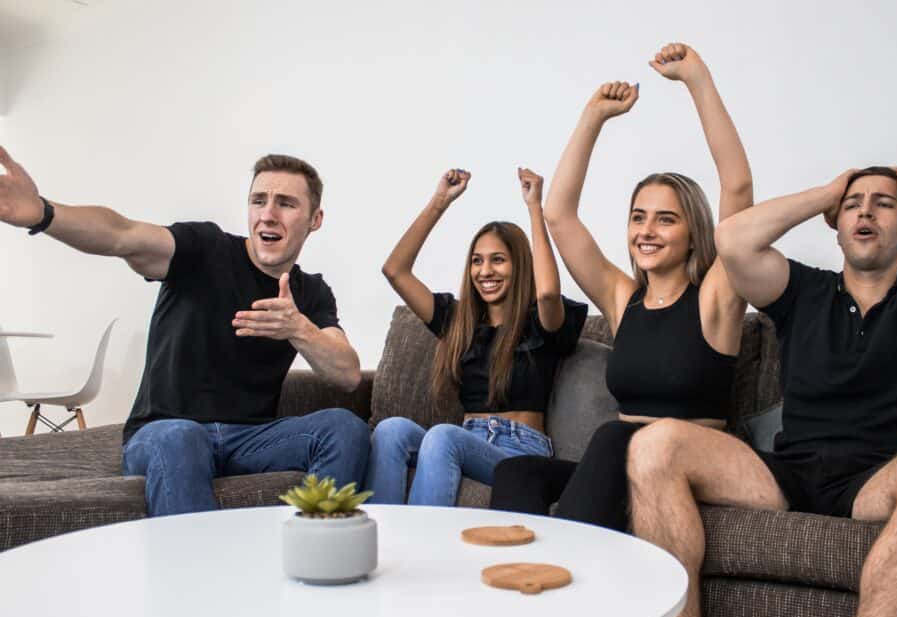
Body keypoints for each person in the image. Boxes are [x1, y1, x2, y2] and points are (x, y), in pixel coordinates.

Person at [627, 165, 897, 617]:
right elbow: (733, 238)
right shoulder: (803, 290)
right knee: (655, 444)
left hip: (877, 482)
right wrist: (828, 194)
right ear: (836, 222)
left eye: (884, 204)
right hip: (788, 472)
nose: (866, 211)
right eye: (854, 204)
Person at [491, 40, 751, 593]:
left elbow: (738, 189)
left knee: (611, 437)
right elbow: (559, 215)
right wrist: (593, 117)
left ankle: (560, 594)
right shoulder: (623, 299)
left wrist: (698, 81)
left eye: (665, 220)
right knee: (518, 471)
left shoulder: (718, 297)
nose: (647, 231)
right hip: (617, 463)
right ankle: (512, 605)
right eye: (638, 218)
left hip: (686, 466)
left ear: (693, 233)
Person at [0, 148, 370, 516]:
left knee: (343, 427)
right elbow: (121, 234)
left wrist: (299, 327)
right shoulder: (205, 248)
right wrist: (43, 213)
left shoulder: (311, 293)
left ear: (315, 219)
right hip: (162, 432)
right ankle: (195, 572)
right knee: (182, 435)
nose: (268, 215)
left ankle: (317, 550)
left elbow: (347, 373)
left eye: (286, 203)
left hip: (249, 439)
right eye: (259, 201)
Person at [366, 167, 587, 506]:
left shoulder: (541, 321)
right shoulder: (458, 320)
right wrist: (439, 202)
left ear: (520, 266)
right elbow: (394, 270)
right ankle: (380, 542)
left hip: (518, 450)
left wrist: (534, 208)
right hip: (465, 440)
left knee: (442, 437)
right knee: (390, 430)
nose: (485, 271)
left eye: (498, 260)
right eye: (477, 261)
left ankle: (424, 547)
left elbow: (546, 294)